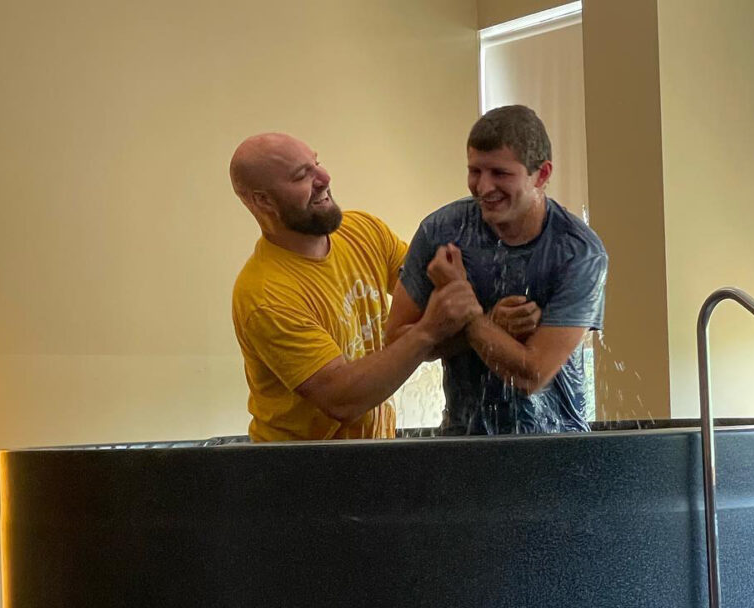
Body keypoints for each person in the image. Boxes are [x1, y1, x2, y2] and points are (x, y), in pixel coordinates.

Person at [230, 133, 482, 442]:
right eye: (301, 176)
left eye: (317, 163)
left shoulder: (364, 231)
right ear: (263, 200)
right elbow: (341, 399)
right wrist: (427, 332)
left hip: (372, 450)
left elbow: (432, 299)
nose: (324, 178)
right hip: (300, 465)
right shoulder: (265, 295)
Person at [387, 105, 608, 435]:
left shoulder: (579, 252)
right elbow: (396, 343)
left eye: (500, 174)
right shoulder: (441, 232)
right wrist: (488, 323)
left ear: (542, 175)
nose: (483, 187)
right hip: (464, 441)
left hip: (558, 446)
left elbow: (532, 375)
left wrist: (467, 312)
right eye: (475, 171)